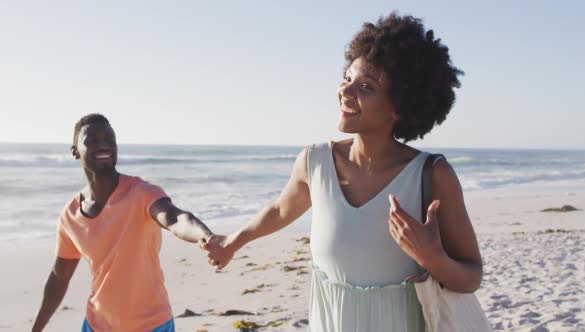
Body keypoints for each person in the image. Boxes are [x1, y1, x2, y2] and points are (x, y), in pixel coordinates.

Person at [203, 13, 483, 331]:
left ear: (400, 106)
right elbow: (280, 209)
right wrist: (233, 242)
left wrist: (433, 257)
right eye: (347, 78)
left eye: (366, 86)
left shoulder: (432, 175)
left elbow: (471, 276)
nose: (345, 92)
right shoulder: (315, 161)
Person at [31, 114, 213, 332]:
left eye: (109, 139)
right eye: (93, 140)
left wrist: (205, 236)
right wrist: (36, 329)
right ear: (75, 151)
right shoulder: (70, 215)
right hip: (97, 325)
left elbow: (175, 218)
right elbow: (60, 277)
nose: (103, 144)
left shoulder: (141, 192)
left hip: (151, 325)